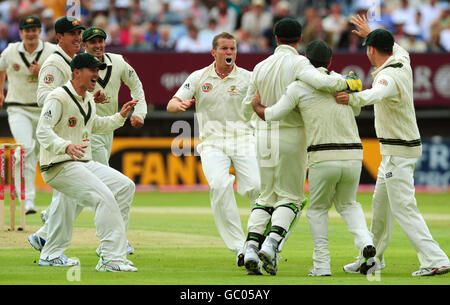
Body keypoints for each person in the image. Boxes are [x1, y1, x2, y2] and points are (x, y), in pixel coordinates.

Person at [241, 17, 361, 276]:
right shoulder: (299, 62)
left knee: (265, 196)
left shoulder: (260, 66)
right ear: (299, 40)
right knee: (291, 198)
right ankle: (271, 245)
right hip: (291, 134)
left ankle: (251, 246)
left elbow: (246, 104)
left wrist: (257, 116)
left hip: (263, 134)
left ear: (275, 38)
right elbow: (322, 82)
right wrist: (350, 83)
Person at [335, 14, 450, 277]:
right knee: (381, 207)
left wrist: (351, 99)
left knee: (403, 207)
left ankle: (436, 259)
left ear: (371, 51)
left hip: (398, 150)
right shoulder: (402, 58)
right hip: (395, 150)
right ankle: (372, 259)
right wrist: (370, 32)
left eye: (368, 47)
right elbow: (396, 45)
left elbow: (376, 94)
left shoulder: (387, 76)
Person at [36, 52, 138, 272]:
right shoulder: (58, 96)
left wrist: (120, 116)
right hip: (59, 164)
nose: (97, 74)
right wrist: (65, 146)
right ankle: (110, 259)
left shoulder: (88, 98)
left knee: (125, 187)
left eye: (98, 70)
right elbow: (42, 131)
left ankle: (52, 254)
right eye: (92, 70)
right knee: (104, 197)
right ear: (76, 72)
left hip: (81, 162)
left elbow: (97, 125)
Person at [167, 32, 260, 268]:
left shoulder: (249, 78)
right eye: (224, 49)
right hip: (211, 143)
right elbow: (171, 105)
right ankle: (240, 246)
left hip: (244, 139)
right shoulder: (199, 77)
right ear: (213, 52)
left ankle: (256, 242)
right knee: (219, 185)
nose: (229, 53)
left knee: (257, 187)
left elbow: (262, 105)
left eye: (232, 49)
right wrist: (179, 105)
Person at [81, 26, 148, 256]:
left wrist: (139, 113)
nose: (98, 46)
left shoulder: (118, 62)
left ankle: (46, 230)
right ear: (85, 45)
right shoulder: (78, 67)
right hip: (86, 131)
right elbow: (70, 95)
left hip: (108, 128)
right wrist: (90, 96)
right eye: (93, 43)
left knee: (89, 185)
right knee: (108, 188)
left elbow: (137, 87)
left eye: (101, 41)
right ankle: (115, 241)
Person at [0, 16, 56, 214]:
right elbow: (1, 69)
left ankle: (27, 196)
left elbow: (64, 74)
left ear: (40, 31)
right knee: (25, 149)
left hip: (44, 109)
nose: (31, 33)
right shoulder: (11, 50)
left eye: (34, 29)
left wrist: (43, 72)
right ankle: (28, 199)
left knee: (35, 156)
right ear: (21, 32)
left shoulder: (51, 51)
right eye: (27, 30)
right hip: (18, 107)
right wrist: (0, 91)